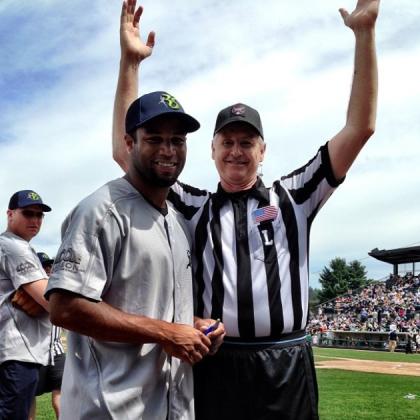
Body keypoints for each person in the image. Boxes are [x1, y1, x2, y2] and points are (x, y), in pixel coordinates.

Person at [112, 1, 379, 418]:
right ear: (213, 150)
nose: (237, 152)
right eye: (228, 142)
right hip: (215, 361)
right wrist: (130, 63)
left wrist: (364, 34)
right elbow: (126, 154)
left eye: (246, 143)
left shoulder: (296, 194)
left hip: (285, 362)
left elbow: (359, 128)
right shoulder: (192, 205)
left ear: (262, 150)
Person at [45, 88, 225, 420]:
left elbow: (156, 309)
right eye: (154, 138)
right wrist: (166, 332)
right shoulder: (101, 210)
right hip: (109, 409)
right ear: (130, 144)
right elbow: (65, 307)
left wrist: (195, 327)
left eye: (178, 140)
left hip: (171, 406)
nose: (168, 150)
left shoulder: (177, 221)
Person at [0, 190, 52, 420]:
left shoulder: (22, 247)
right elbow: (53, 301)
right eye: (28, 213)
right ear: (10, 214)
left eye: (39, 215)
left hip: (19, 352)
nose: (35, 220)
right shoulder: (13, 247)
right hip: (16, 352)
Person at [29, 253, 65, 420]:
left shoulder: (58, 293)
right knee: (30, 397)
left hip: (57, 351)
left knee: (60, 395)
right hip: (34, 353)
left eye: (50, 266)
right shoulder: (28, 293)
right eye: (45, 267)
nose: (49, 270)